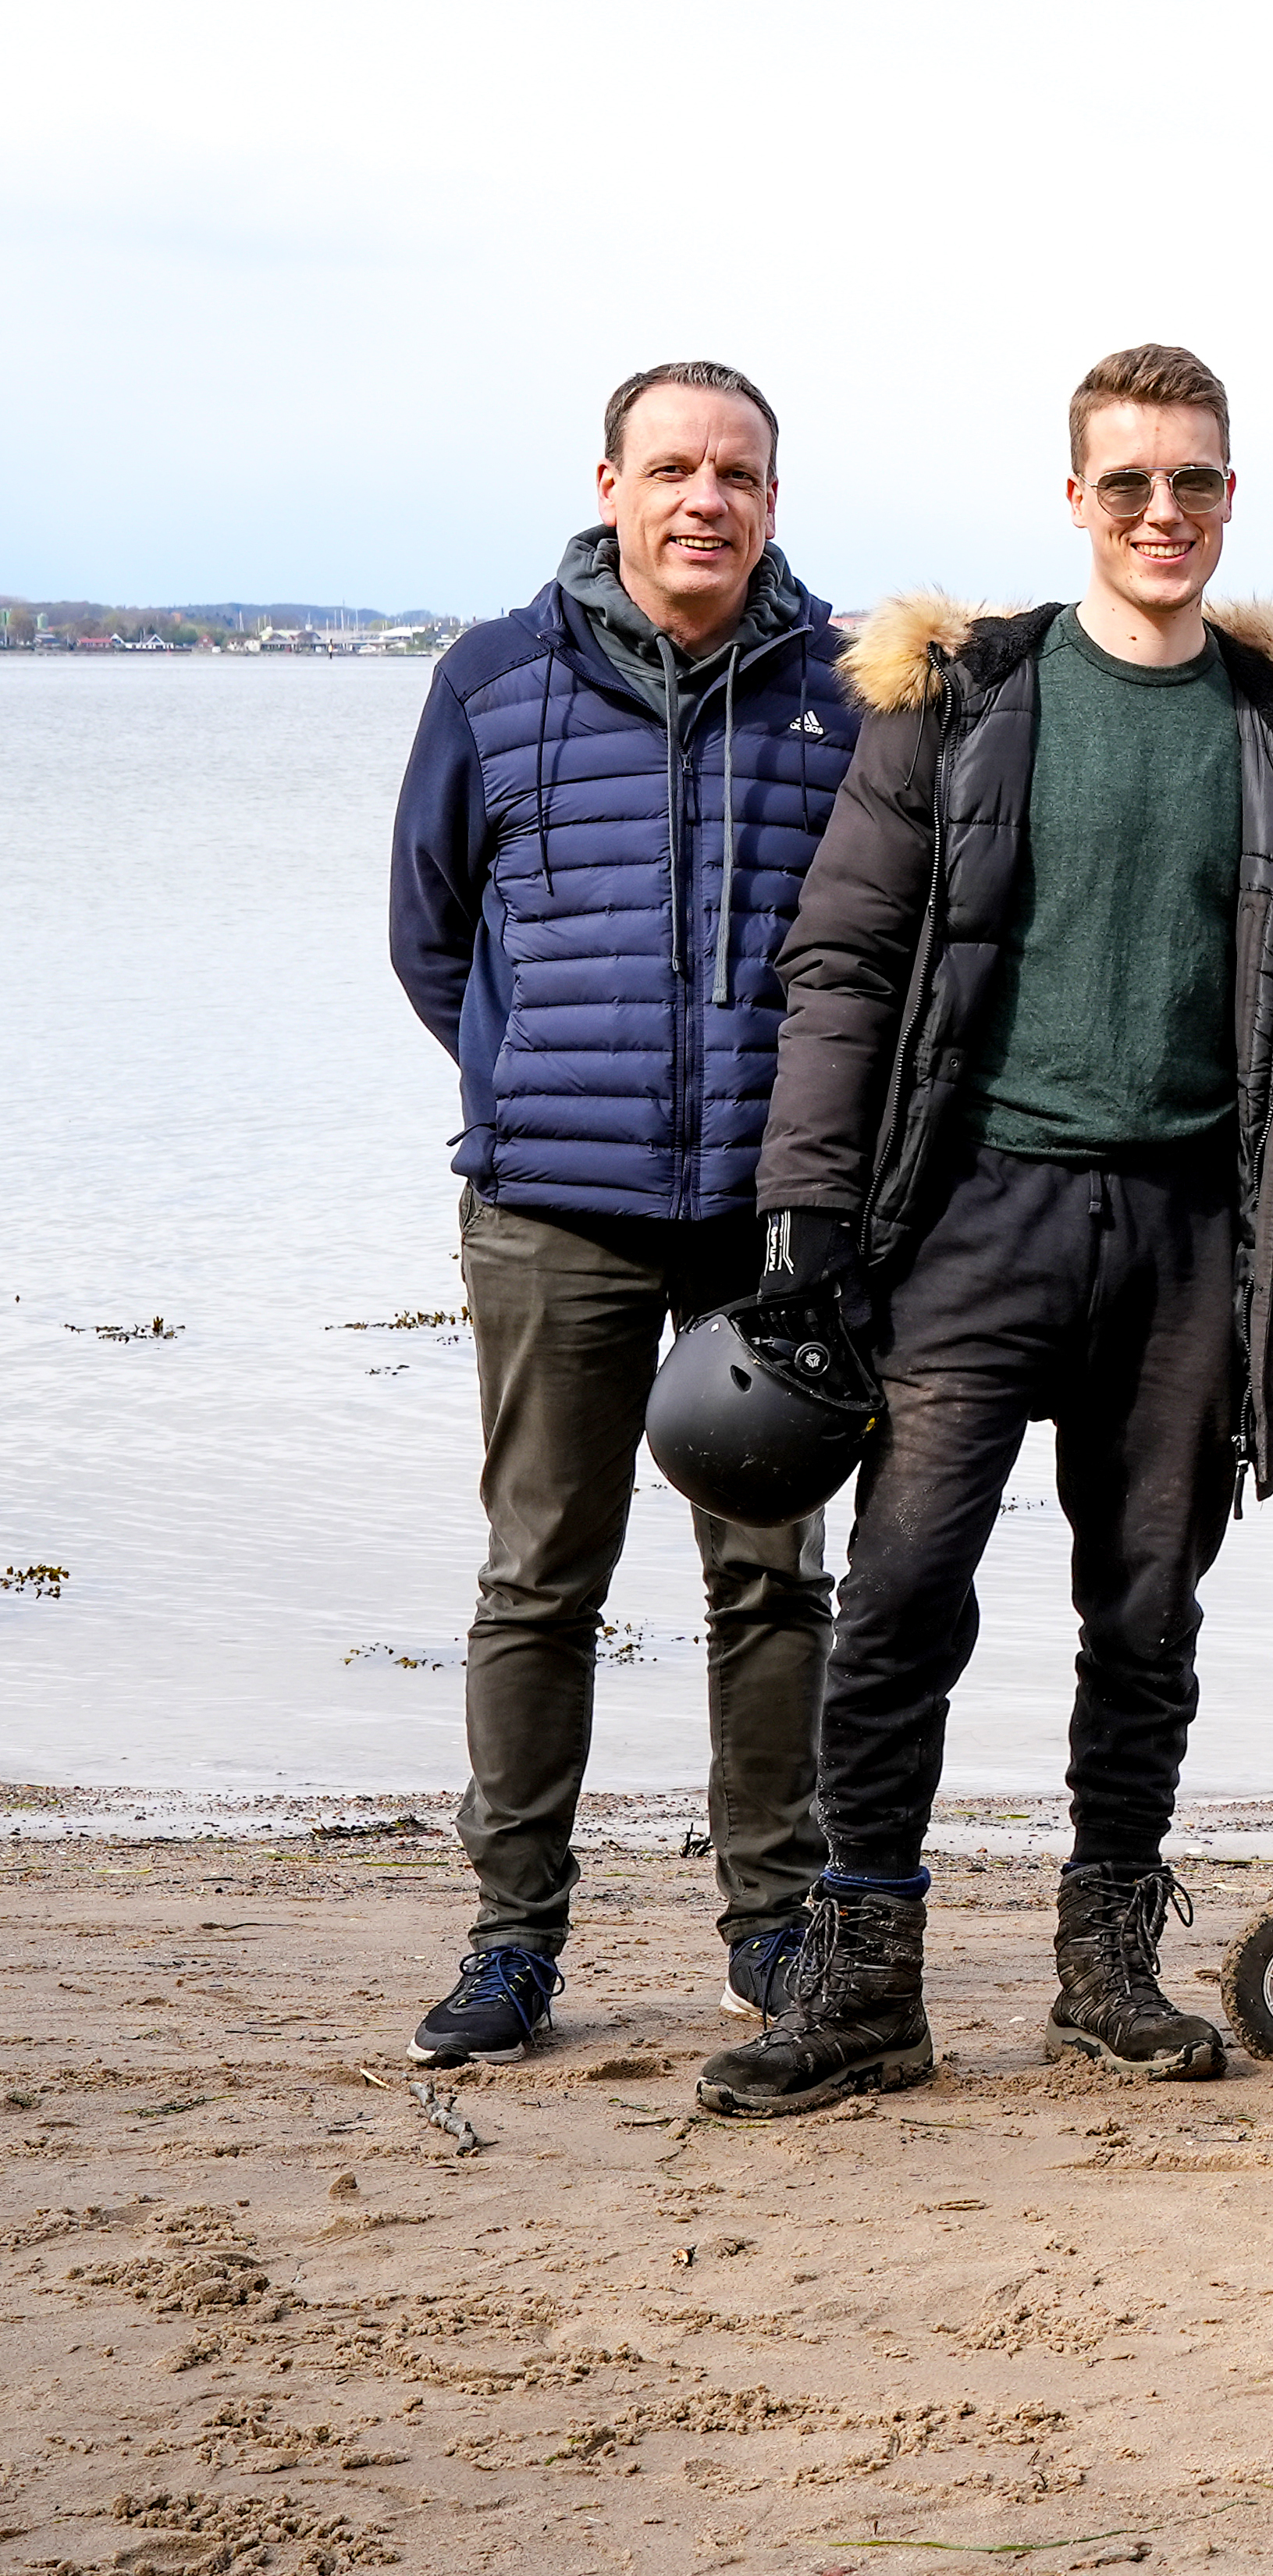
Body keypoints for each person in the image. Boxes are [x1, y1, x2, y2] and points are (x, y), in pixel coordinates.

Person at [699, 344, 1273, 2121]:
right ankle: (862, 1982)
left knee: (1146, 1605)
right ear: (1074, 499)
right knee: (907, 1589)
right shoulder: (964, 697)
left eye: (1195, 484)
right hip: (974, 1224)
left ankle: (1107, 1966)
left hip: (1188, 1243)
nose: (1162, 514)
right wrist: (808, 1215)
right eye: (1128, 484)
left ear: (1229, 499)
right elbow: (842, 960)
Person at [387, 360, 852, 2065]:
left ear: (771, 501)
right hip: (549, 1214)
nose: (702, 499)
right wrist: (530, 1087)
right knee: (538, 1575)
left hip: (767, 1217)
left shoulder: (839, 692)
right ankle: (512, 1939)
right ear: (609, 484)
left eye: (735, 471)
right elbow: (433, 933)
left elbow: (874, 952)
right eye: (671, 468)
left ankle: (773, 1930)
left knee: (774, 1581)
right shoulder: (495, 679)